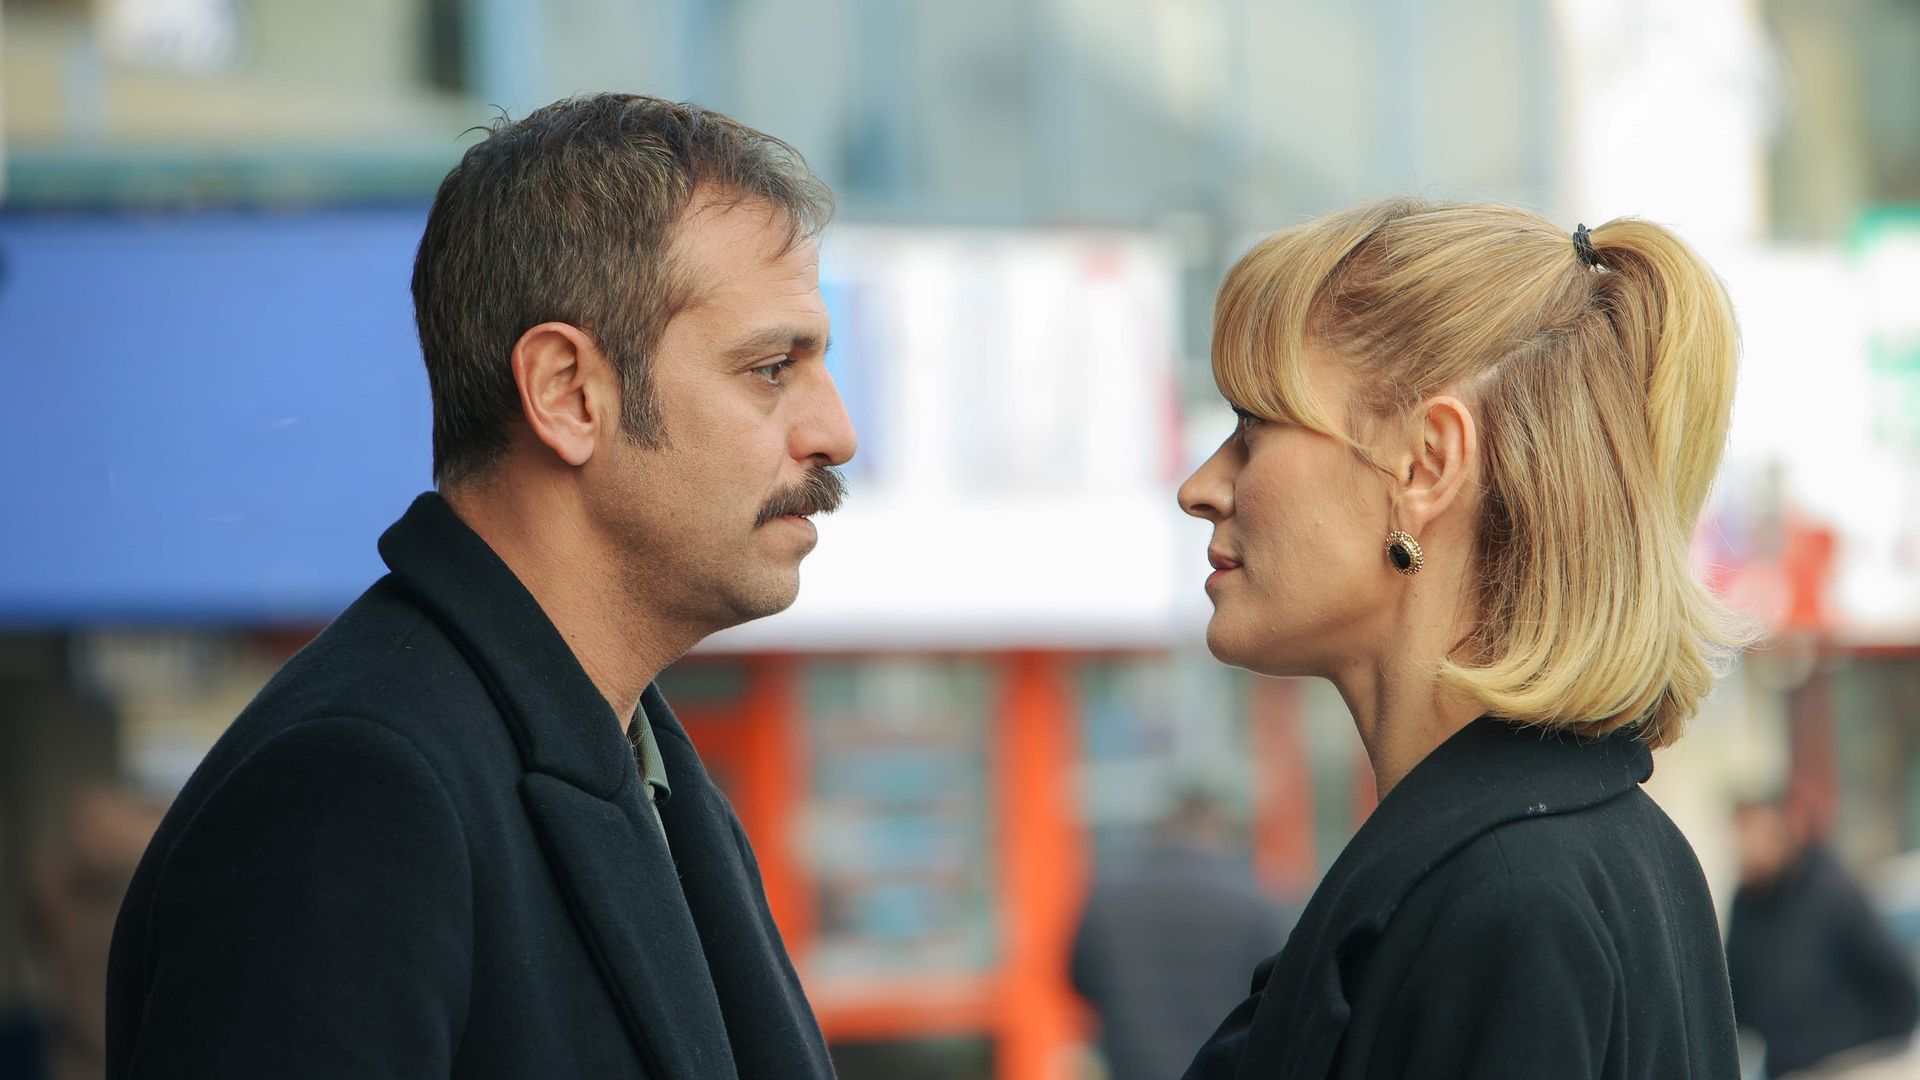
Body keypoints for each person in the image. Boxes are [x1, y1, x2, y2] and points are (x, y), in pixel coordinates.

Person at [106, 94, 855, 1079]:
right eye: (769, 368)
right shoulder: (355, 791)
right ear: (566, 393)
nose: (835, 433)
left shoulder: (651, 776)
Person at [1176, 197, 1746, 1078]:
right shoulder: (1578, 855)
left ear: (1427, 464)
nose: (1202, 487)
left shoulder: (1507, 896)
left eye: (1253, 428)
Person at [1070, 790, 1296, 1080]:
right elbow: (1280, 988)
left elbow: (1078, 980)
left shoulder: (1108, 897)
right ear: (1216, 829)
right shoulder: (1254, 900)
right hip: (1222, 1068)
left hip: (1134, 1068)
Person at [1726, 797, 1919, 1078]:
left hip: (1844, 1065)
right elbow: (1736, 994)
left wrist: (1857, 1054)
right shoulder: (1747, 905)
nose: (1748, 848)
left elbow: (1895, 985)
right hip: (1786, 1067)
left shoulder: (1830, 892)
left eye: (1756, 834)